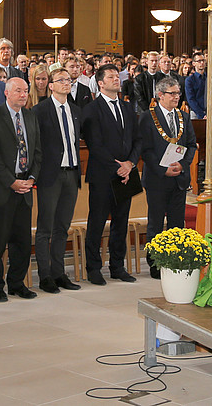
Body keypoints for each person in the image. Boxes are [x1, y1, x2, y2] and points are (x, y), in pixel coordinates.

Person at [0, 77, 42, 301]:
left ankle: (17, 283)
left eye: (26, 91)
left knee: (23, 242)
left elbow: (37, 151)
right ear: (7, 93)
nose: (23, 95)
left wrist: (31, 178)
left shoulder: (30, 116)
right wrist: (11, 182)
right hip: (2, 189)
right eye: (18, 91)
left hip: (26, 187)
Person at [82, 64, 140, 285]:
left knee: (121, 222)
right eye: (111, 77)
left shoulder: (127, 108)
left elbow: (137, 140)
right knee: (97, 222)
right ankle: (93, 268)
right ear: (100, 83)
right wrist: (118, 167)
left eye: (118, 76)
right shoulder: (92, 109)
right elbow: (95, 144)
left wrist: (131, 163)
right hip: (102, 175)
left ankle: (117, 266)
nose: (117, 79)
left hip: (126, 175)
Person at [139, 77, 196, 279]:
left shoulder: (184, 117)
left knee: (177, 222)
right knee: (155, 222)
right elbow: (145, 149)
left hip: (179, 177)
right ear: (160, 95)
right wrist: (162, 169)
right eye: (172, 93)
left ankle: (174, 259)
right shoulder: (147, 117)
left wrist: (183, 165)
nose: (176, 97)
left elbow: (191, 145)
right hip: (157, 178)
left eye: (178, 93)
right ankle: (155, 263)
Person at [32, 67, 83, 293]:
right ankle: (45, 276)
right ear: (50, 85)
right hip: (50, 176)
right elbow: (36, 145)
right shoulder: (40, 110)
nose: (66, 83)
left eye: (69, 80)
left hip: (71, 174)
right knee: (45, 228)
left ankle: (59, 272)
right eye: (61, 80)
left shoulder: (74, 110)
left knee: (63, 226)